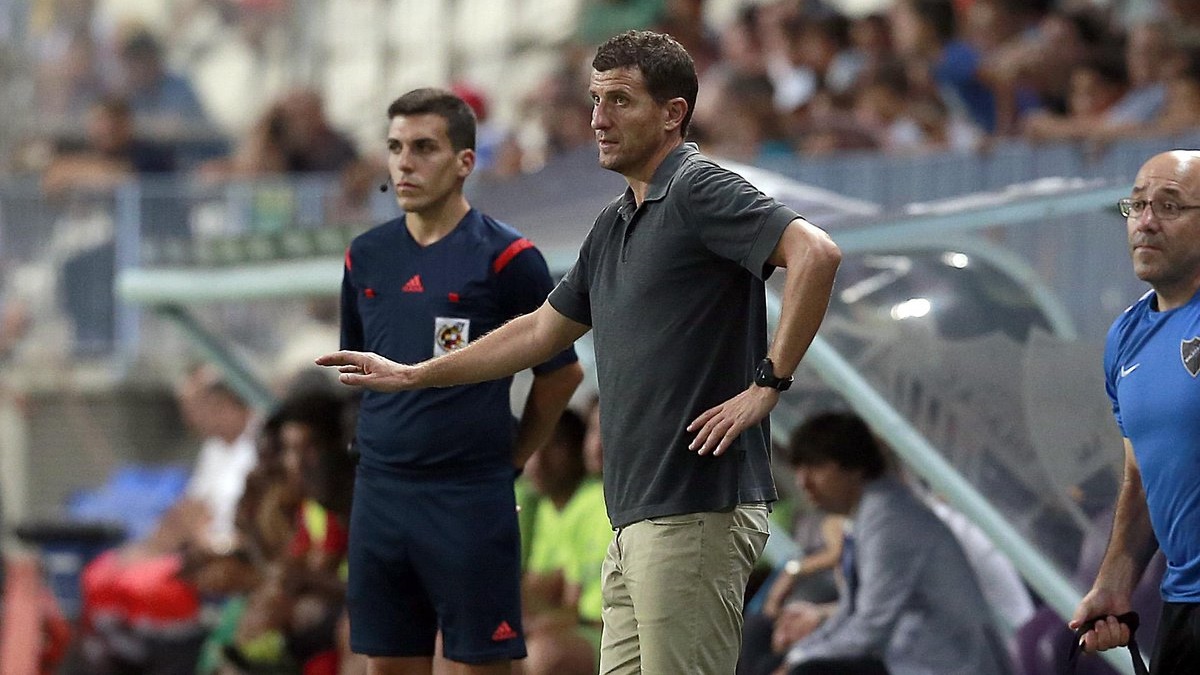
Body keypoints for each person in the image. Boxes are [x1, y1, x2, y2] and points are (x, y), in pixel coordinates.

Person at [318, 30, 843, 674]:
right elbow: (541, 330)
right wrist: (416, 374)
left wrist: (769, 383)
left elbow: (815, 252)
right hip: (634, 516)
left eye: (620, 100)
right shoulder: (617, 216)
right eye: (595, 100)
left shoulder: (697, 187)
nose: (598, 119)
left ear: (673, 112)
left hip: (693, 508)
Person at [336, 87, 583, 675]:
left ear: (464, 162)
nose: (404, 163)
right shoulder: (364, 256)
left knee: (483, 664)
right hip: (381, 493)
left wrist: (514, 458)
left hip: (466, 496)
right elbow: (359, 369)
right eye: (395, 147)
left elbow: (561, 375)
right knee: (388, 664)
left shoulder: (506, 258)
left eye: (424, 147)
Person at [1070, 149, 1200, 673]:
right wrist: (1114, 583)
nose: (1146, 222)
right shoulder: (1126, 338)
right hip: (1184, 606)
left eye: (1169, 206)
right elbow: (1142, 478)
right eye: (1138, 204)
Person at [774, 412, 1011, 675]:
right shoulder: (870, 512)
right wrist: (800, 653)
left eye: (815, 468)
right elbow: (851, 613)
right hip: (911, 657)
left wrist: (800, 660)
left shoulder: (889, 519)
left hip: (948, 666)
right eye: (798, 470)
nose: (803, 483)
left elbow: (870, 625)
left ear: (854, 466)